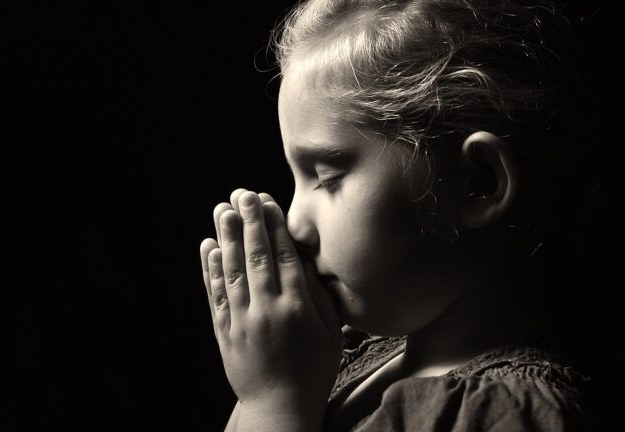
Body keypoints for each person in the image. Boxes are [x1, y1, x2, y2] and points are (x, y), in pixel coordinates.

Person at [198, 0, 593, 430]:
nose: (295, 224)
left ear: (477, 184)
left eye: (328, 178)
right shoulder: (338, 355)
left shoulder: (505, 414)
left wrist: (273, 402)